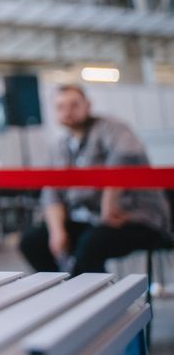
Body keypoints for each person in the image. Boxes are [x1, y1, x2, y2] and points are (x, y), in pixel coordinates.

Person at [20, 84, 170, 275]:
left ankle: (100, 300)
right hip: (92, 221)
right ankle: (66, 289)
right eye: (60, 107)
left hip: (134, 217)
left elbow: (124, 159)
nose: (67, 111)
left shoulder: (113, 129)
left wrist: (110, 204)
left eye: (74, 105)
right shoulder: (60, 147)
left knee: (90, 245)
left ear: (87, 105)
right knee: (33, 241)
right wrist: (57, 231)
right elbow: (52, 193)